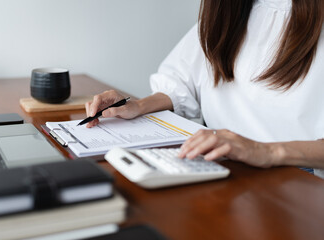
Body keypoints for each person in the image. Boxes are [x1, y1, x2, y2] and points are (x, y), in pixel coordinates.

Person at [84, 0, 324, 178]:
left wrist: (265, 152)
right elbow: (182, 81)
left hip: (297, 182)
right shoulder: (231, 10)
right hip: (219, 168)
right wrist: (137, 106)